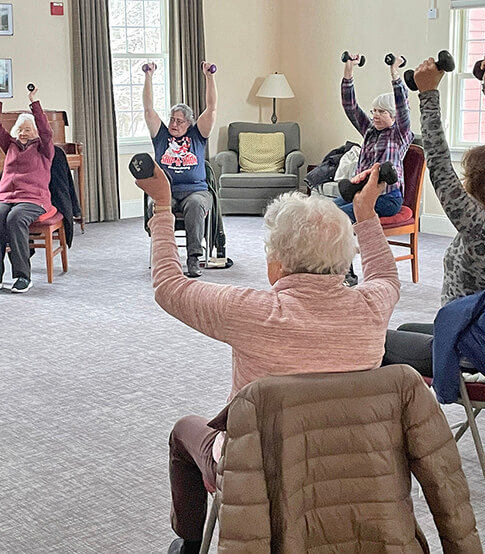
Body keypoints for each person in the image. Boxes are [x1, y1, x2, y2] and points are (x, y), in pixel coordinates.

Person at [134, 160, 400, 554]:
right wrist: (365, 214)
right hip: (347, 465)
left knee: (183, 433)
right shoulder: (372, 306)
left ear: (276, 262)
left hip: (257, 470)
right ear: (345, 259)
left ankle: (190, 544)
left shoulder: (251, 311)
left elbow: (169, 286)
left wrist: (160, 206)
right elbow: (386, 277)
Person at [383, 55, 485, 376]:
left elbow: (439, 166)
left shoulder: (482, 230)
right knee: (408, 325)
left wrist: (428, 95)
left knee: (374, 339)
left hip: (467, 347)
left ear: (480, 189)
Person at [334, 53, 413, 285]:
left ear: (393, 116)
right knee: (327, 213)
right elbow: (350, 106)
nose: (375, 115)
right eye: (374, 111)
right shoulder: (369, 131)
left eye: (381, 112)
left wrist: (394, 73)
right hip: (362, 195)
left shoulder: (400, 134)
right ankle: (334, 268)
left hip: (388, 198)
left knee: (342, 218)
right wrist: (349, 71)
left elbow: (403, 105)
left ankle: (347, 274)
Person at [0, 80, 55, 295]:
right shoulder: (10, 145)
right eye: (21, 129)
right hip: (6, 196)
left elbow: (46, 130)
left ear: (35, 133)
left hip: (33, 198)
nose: (24, 133)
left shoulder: (44, 148)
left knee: (15, 218)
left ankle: (23, 276)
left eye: (28, 130)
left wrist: (34, 103)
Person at [143, 61, 217, 278]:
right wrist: (149, 76)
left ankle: (194, 259)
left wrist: (209, 77)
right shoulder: (161, 135)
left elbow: (212, 108)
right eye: (172, 120)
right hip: (165, 191)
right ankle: (162, 257)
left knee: (194, 205)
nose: (174, 124)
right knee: (156, 206)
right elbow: (148, 109)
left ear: (189, 124)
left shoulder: (197, 135)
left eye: (180, 121)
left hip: (196, 191)